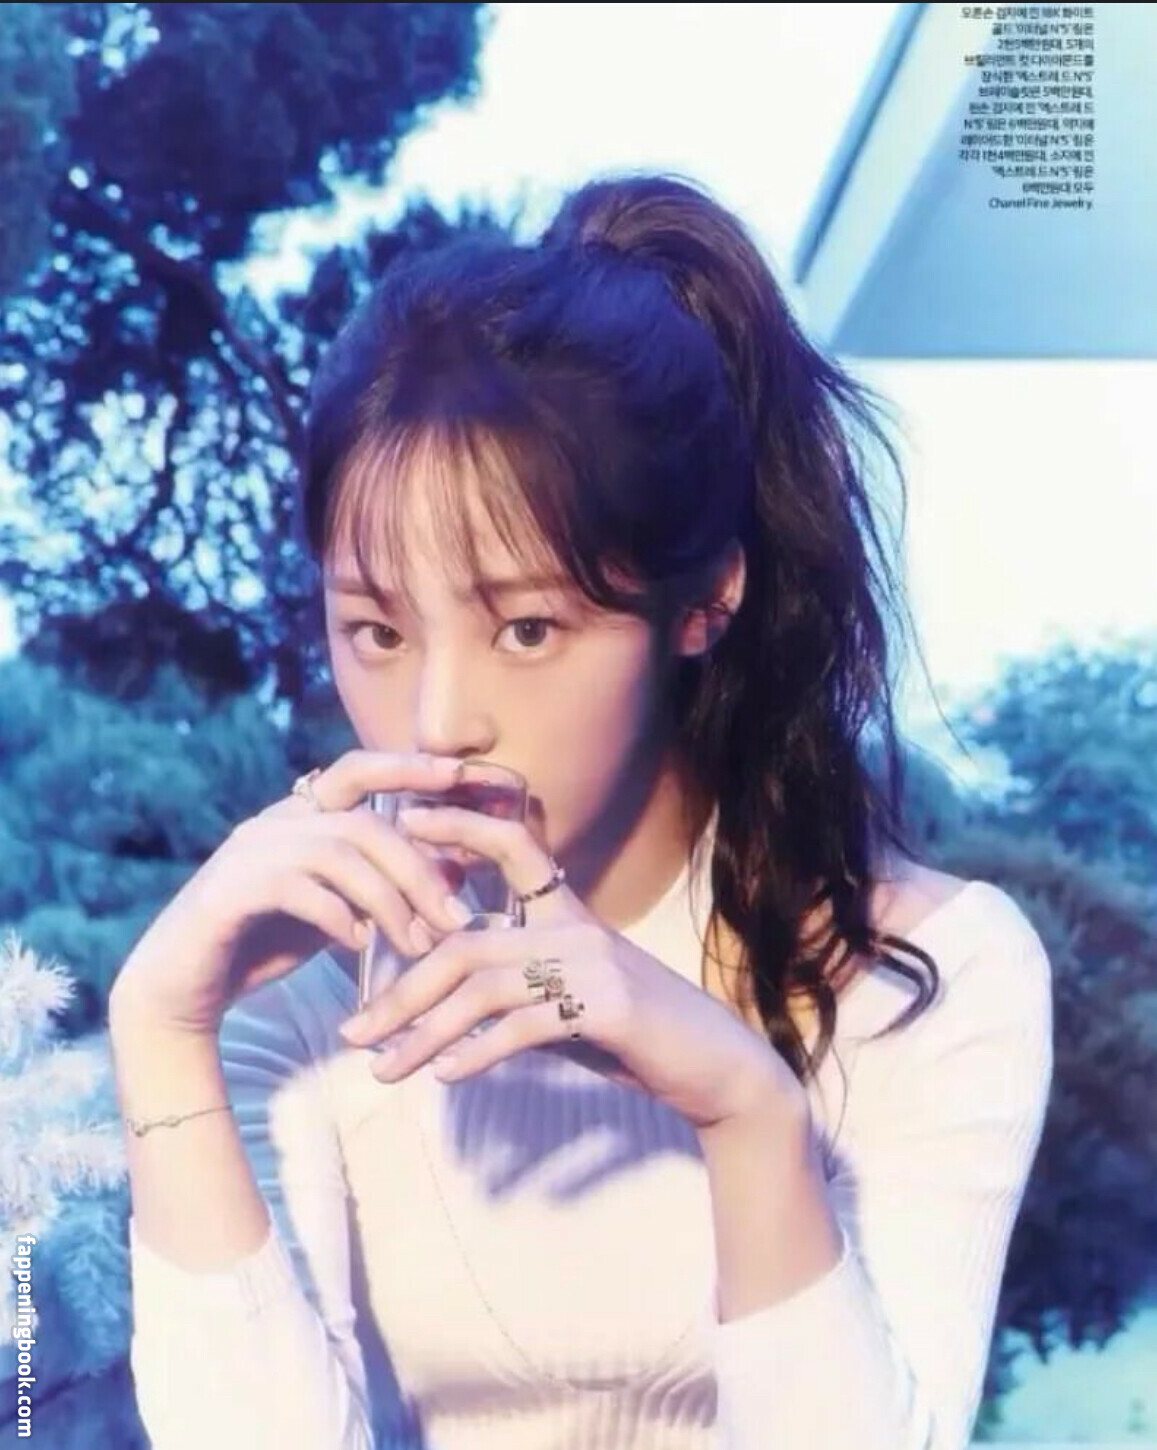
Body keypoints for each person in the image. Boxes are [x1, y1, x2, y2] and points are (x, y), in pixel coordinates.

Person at [109, 173, 1053, 1450]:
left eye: (525, 628)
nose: (438, 719)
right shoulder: (297, 993)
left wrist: (745, 1109)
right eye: (376, 630)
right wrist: (159, 1024)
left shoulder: (922, 975)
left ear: (701, 601)